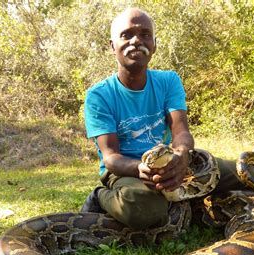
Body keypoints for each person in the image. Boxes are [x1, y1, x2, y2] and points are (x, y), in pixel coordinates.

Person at [81, 8, 242, 229]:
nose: (136, 40)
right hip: (126, 170)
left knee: (243, 173)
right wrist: (140, 169)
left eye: (145, 34)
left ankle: (190, 199)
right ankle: (101, 195)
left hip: (169, 162)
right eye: (127, 35)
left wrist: (182, 155)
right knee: (142, 208)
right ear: (112, 46)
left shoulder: (168, 81)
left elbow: (181, 131)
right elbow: (110, 157)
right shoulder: (99, 95)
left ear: (154, 44)